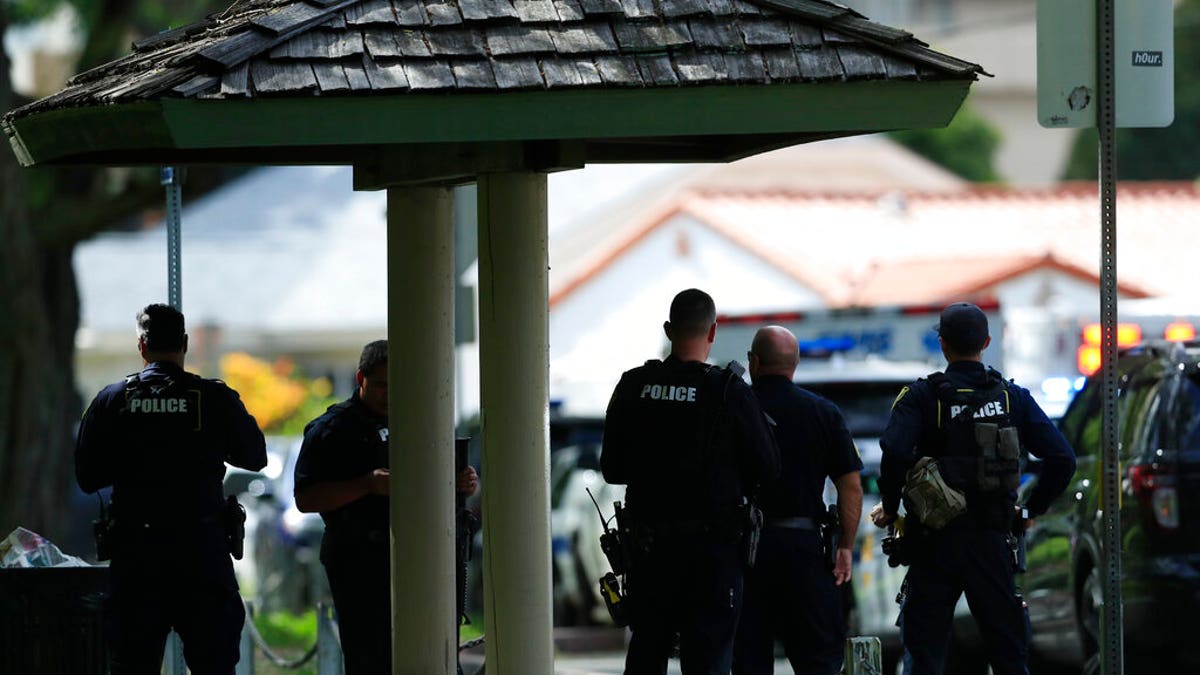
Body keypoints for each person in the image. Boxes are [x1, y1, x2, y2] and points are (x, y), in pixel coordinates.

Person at [869, 302, 1076, 675]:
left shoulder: (921, 396)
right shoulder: (1013, 398)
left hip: (933, 545)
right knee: (1009, 655)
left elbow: (895, 451)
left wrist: (889, 505)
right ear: (987, 342)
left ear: (942, 344)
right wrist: (1028, 512)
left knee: (925, 657)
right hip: (992, 542)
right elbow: (1063, 459)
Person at [75, 303, 267, 674]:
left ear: (142, 347)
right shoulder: (213, 398)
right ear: (184, 343)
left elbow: (87, 478)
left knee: (133, 665)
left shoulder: (113, 400)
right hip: (203, 555)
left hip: (137, 560)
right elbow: (256, 457)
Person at [601, 288, 781, 675]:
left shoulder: (635, 386)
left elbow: (612, 469)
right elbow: (768, 469)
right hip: (712, 557)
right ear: (713, 331)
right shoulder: (729, 391)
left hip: (650, 555)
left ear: (668, 330)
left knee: (647, 652)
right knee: (709, 660)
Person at [293, 339, 479, 675]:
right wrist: (367, 485)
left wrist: (460, 482)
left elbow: (434, 481)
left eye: (397, 385)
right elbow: (306, 498)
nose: (388, 394)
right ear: (360, 378)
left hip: (422, 559)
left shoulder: (419, 423)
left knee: (434, 657)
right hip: (360, 561)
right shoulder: (333, 429)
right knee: (371, 660)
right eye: (380, 384)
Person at [733, 326, 863, 675]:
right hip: (804, 551)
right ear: (795, 364)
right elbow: (850, 486)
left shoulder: (731, 409)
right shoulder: (823, 412)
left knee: (748, 657)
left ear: (754, 361)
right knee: (818, 659)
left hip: (743, 552)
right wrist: (845, 548)